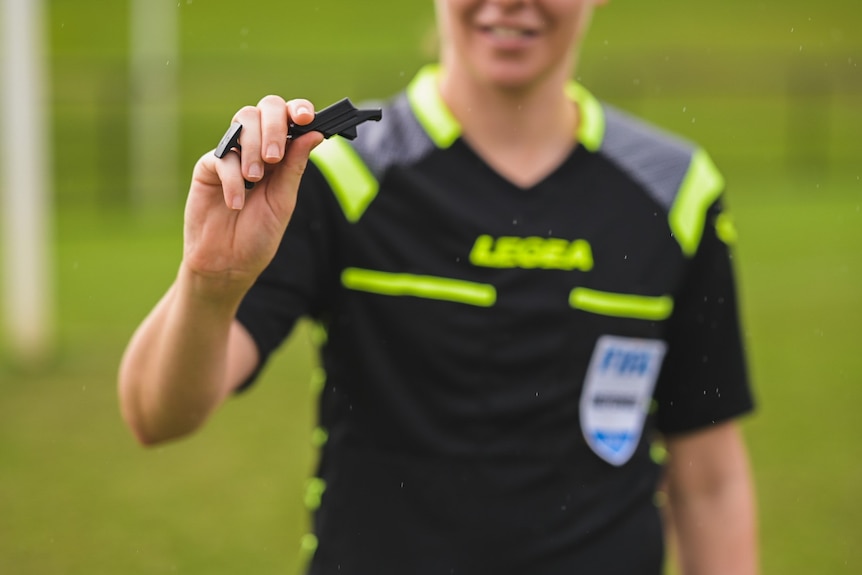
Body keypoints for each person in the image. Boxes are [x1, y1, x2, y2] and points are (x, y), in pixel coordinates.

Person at [119, 1, 758, 573]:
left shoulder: (675, 193)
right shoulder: (337, 178)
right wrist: (209, 282)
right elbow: (157, 412)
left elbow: (710, 480)